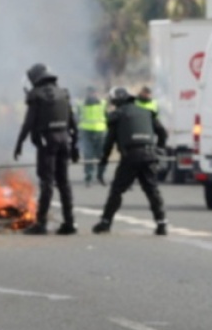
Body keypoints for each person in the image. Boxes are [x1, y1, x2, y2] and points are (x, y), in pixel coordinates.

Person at [91, 86, 168, 236]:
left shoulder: (117, 116)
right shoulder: (146, 112)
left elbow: (109, 142)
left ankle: (105, 223)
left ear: (116, 100)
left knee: (117, 191)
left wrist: (103, 163)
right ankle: (162, 224)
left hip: (130, 158)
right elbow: (162, 133)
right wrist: (159, 149)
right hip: (149, 155)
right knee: (152, 191)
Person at [14, 63, 78, 235]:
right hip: (65, 140)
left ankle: (41, 223)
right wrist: (76, 145)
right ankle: (69, 222)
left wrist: (19, 143)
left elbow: (28, 123)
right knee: (64, 183)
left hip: (47, 142)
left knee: (47, 182)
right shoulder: (63, 93)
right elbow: (72, 121)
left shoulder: (36, 96)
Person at [78, 86, 108, 186]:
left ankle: (100, 174)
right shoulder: (80, 104)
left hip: (100, 132)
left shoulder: (103, 104)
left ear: (96, 93)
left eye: (93, 92)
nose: (92, 94)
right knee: (88, 155)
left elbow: (107, 116)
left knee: (101, 155)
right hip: (86, 132)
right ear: (87, 93)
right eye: (90, 92)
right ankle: (89, 175)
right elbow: (76, 117)